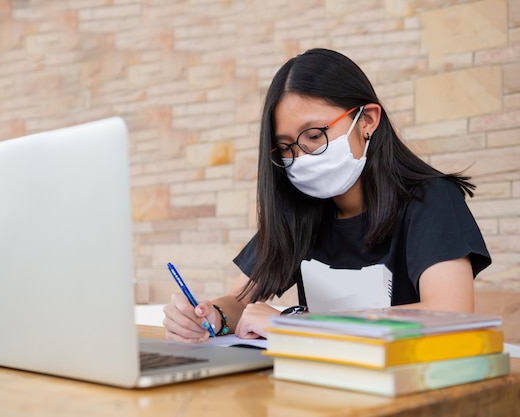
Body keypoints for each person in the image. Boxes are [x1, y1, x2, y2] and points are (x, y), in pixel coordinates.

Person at [162, 48, 491, 343]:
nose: (301, 157)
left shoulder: (430, 200)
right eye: (287, 147)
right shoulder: (300, 211)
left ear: (367, 120)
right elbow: (241, 299)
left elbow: (451, 313)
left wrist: (300, 324)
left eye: (315, 136)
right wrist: (210, 316)